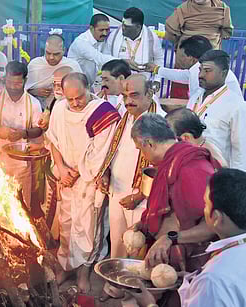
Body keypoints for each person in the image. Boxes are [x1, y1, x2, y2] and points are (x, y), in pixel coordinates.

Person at [123, 113, 220, 306]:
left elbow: (212, 226)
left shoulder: (192, 168)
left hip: (190, 265)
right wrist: (143, 224)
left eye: (140, 149)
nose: (143, 156)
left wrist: (170, 238)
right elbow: (170, 211)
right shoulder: (171, 162)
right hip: (167, 260)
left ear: (148, 143)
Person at [126, 168, 246, 307]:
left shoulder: (212, 280)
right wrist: (190, 280)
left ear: (216, 218)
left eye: (206, 205)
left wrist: (149, 304)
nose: (203, 210)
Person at [45, 72, 121, 293]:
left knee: (89, 229)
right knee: (66, 225)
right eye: (70, 99)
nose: (75, 103)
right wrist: (60, 168)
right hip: (65, 178)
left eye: (79, 97)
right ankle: (65, 268)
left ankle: (83, 273)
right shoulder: (59, 108)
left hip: (88, 181)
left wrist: (75, 173)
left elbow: (99, 153)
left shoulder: (102, 113)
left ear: (89, 88)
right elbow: (53, 140)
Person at [97, 75, 166, 302]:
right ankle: (114, 288)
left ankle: (135, 298)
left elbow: (162, 167)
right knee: (117, 244)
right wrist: (106, 173)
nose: (128, 101)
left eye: (135, 95)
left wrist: (138, 195)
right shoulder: (125, 116)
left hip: (144, 199)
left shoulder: (160, 122)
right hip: (118, 192)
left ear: (150, 94)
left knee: (137, 250)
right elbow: (114, 150)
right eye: (125, 95)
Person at [0, 61, 43, 208]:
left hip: (21, 161)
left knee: (21, 205)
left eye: (17, 83)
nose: (12, 87)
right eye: (9, 82)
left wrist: (24, 133)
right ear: (4, 79)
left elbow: (38, 129)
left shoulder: (33, 103)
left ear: (25, 80)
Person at [187, 50, 246, 170]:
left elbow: (240, 149)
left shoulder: (236, 105)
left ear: (223, 74)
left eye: (207, 71)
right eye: (200, 70)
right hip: (188, 166)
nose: (201, 75)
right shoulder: (195, 97)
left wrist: (236, 180)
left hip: (216, 173)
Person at [164, 0, 233, 99]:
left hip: (195, 56)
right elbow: (227, 32)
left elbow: (171, 33)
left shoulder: (222, 8)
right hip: (197, 55)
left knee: (208, 94)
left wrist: (180, 43)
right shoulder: (183, 8)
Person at [146, 35, 242, 98]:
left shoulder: (201, 73)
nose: (180, 58)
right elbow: (182, 76)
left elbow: (196, 102)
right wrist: (156, 69)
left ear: (191, 58)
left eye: (182, 56)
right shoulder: (203, 67)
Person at [106, 7, 164, 88]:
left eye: (127, 26)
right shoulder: (114, 35)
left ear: (138, 27)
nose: (123, 28)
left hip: (142, 85)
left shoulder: (152, 38)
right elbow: (106, 58)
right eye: (123, 24)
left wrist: (157, 80)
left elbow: (159, 59)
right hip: (118, 85)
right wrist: (121, 62)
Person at [25, 33, 82, 109]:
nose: (51, 57)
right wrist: (34, 92)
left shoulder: (72, 65)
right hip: (38, 109)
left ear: (64, 50)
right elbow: (22, 90)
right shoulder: (35, 64)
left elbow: (81, 90)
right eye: (48, 53)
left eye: (56, 54)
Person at [68, 14, 118, 86]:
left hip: (88, 84)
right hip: (75, 85)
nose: (105, 33)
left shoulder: (101, 39)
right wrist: (123, 61)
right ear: (91, 28)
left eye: (107, 30)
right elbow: (100, 58)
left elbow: (106, 60)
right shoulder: (81, 42)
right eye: (101, 30)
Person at [37, 65, 73, 130]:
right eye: (54, 85)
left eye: (60, 85)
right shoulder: (54, 101)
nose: (56, 88)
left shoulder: (76, 105)